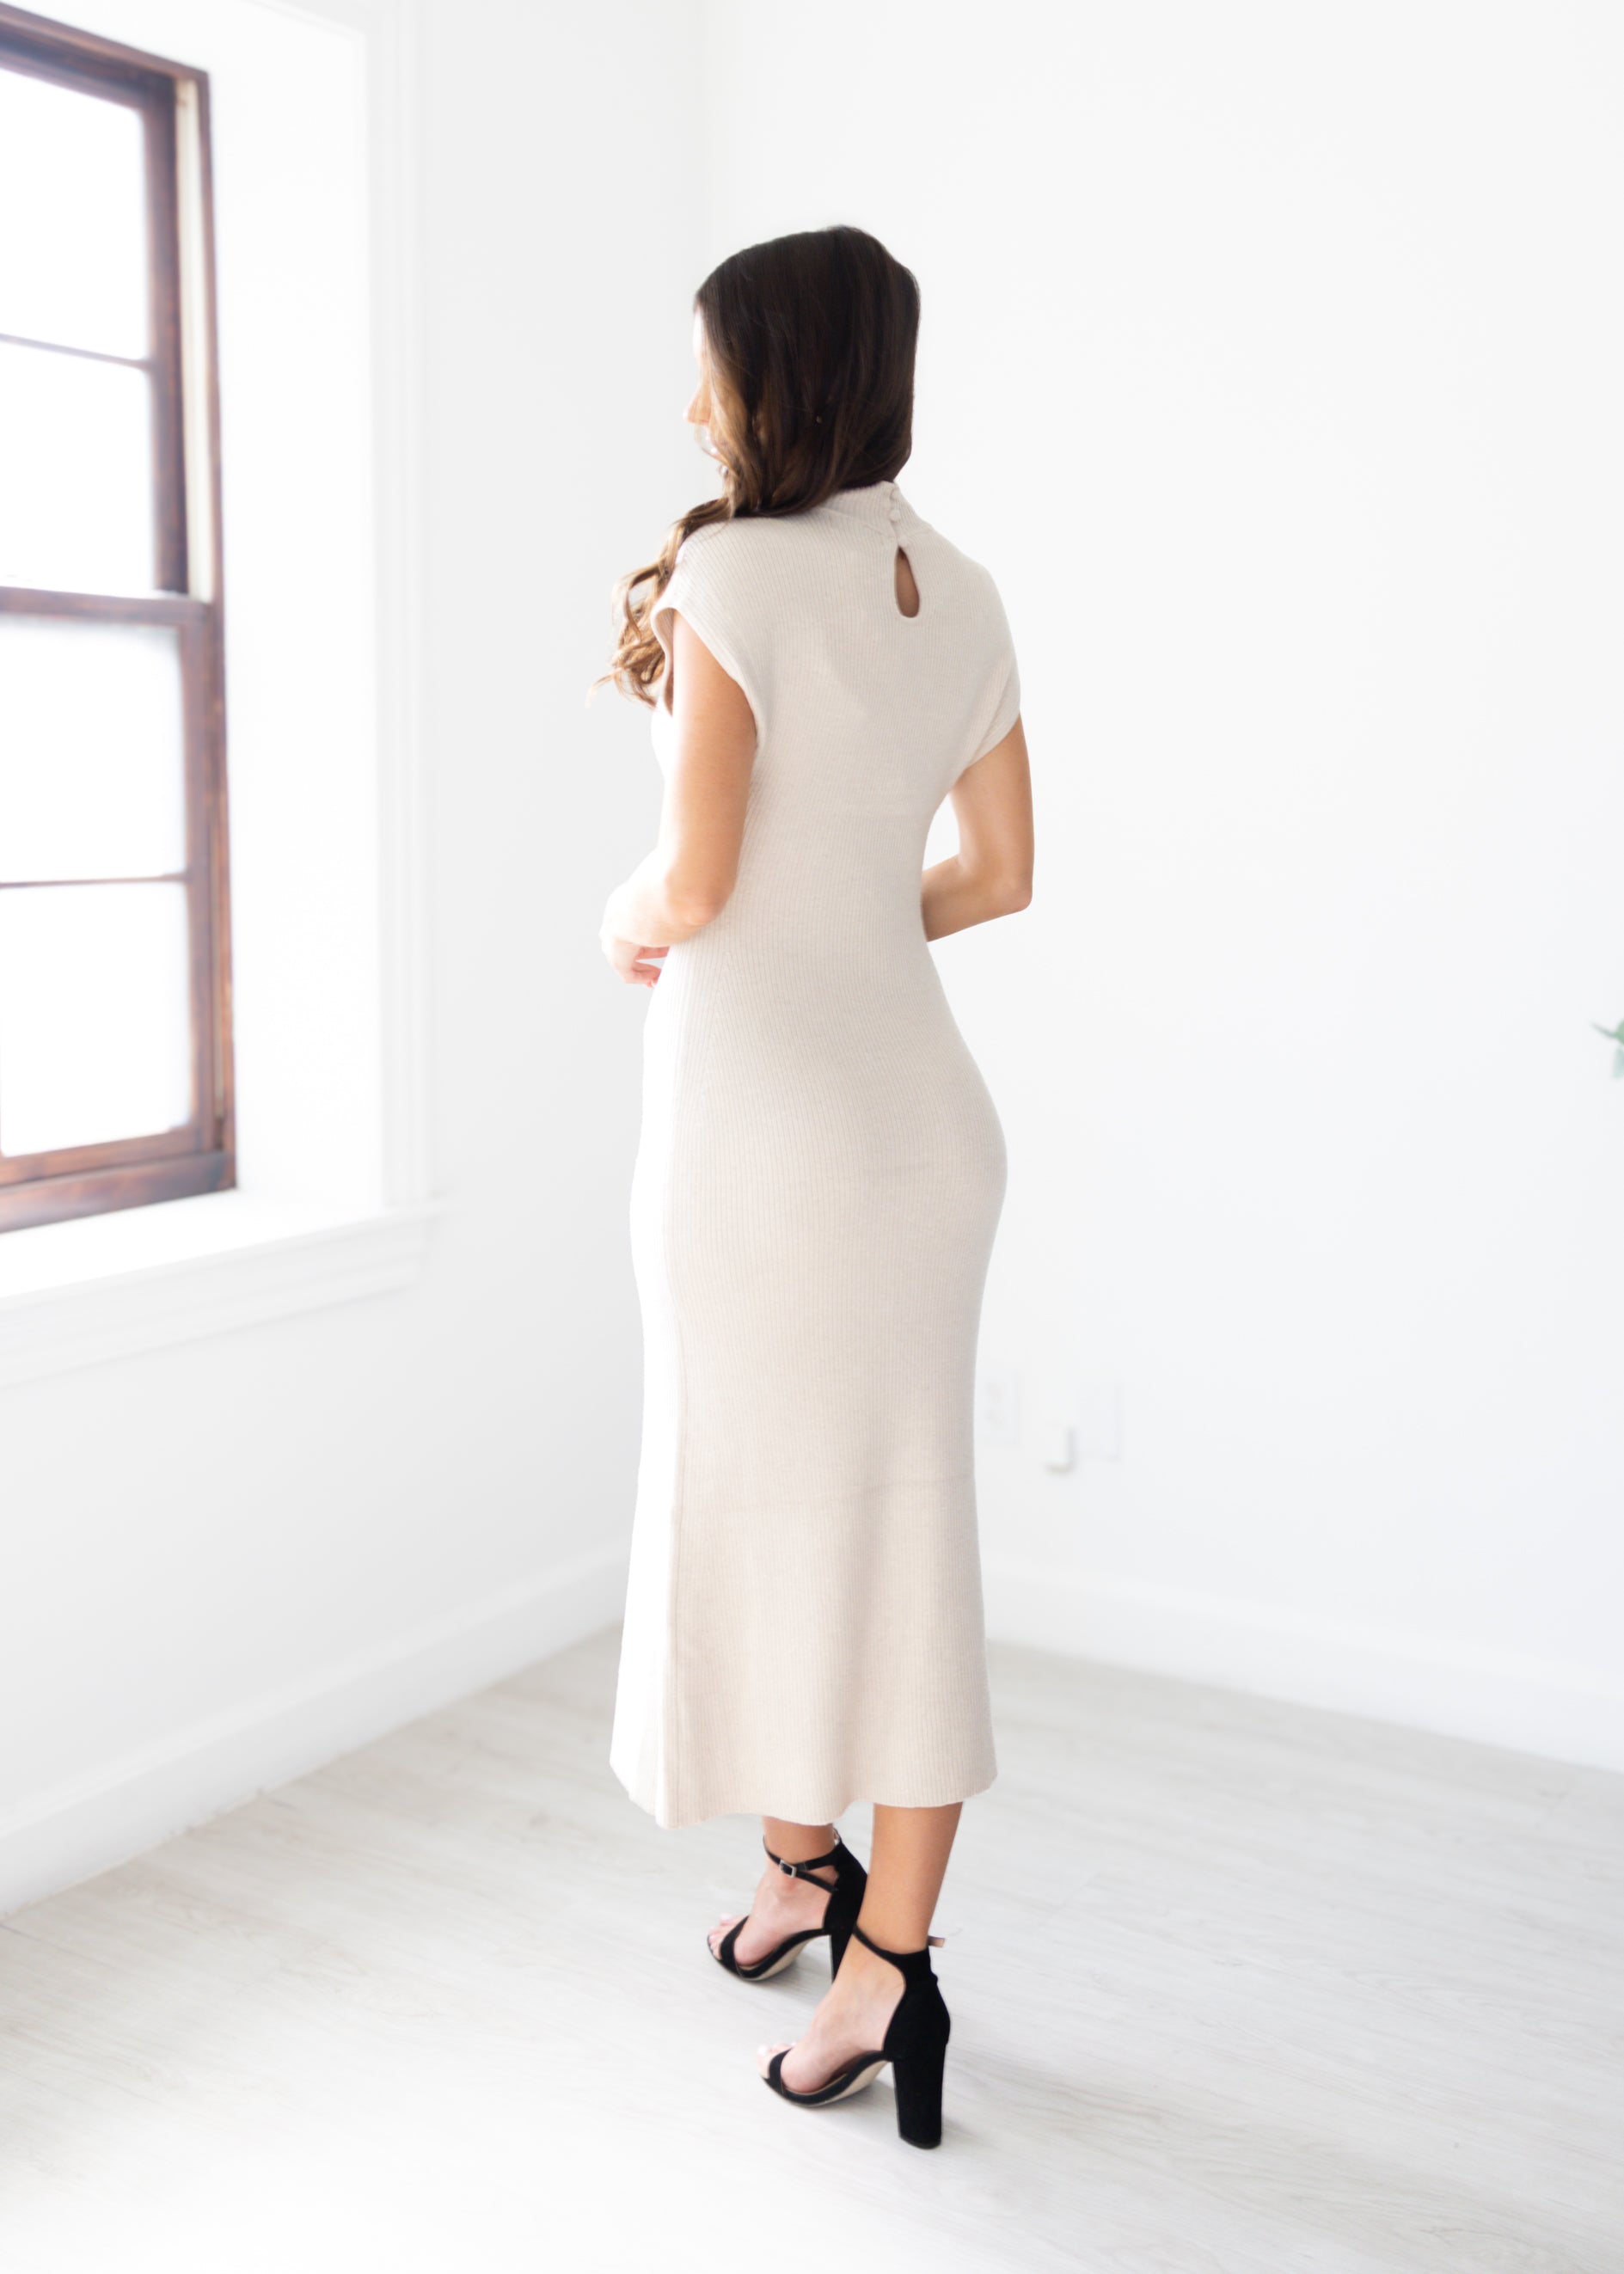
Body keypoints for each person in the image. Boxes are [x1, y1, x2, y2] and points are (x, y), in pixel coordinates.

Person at [598, 224, 1033, 2150]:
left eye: (709, 363)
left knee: (765, 1499)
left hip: (762, 1141)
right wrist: (851, 919)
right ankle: (826, 1895)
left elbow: (692, 883)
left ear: (771, 375)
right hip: (923, 1130)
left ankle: (878, 1967)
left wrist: (625, 916)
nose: (691, 402)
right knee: (896, 1524)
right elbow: (999, 874)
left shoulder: (737, 572)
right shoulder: (968, 588)